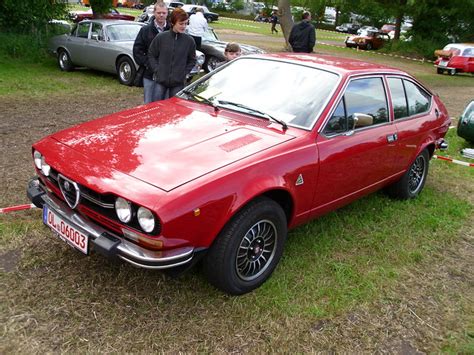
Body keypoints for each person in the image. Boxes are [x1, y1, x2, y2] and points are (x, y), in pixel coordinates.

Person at [148, 8, 196, 101]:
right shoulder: (161, 37)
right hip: (160, 80)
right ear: (173, 23)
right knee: (155, 107)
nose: (184, 26)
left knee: (174, 109)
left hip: (178, 83)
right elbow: (151, 54)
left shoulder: (189, 41)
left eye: (186, 23)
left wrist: (184, 73)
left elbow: (192, 60)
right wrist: (157, 70)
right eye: (181, 23)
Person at [133, 2, 170, 104]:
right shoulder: (145, 30)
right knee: (149, 104)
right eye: (159, 13)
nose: (161, 15)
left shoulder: (172, 30)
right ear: (154, 13)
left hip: (168, 75)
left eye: (164, 13)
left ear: (167, 13)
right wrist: (149, 64)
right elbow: (137, 51)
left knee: (165, 104)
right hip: (150, 74)